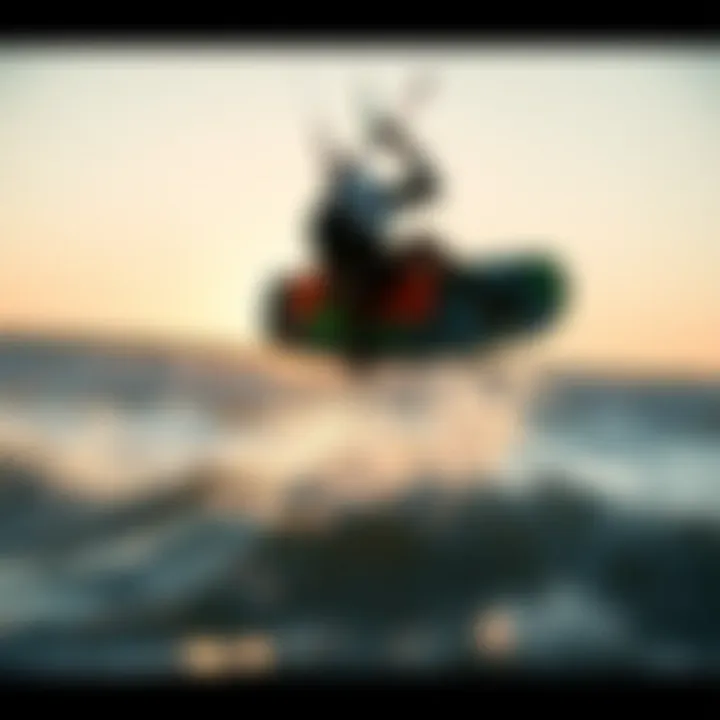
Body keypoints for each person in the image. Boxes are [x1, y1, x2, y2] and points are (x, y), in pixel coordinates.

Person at [307, 114, 442, 362]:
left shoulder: (375, 194)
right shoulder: (336, 204)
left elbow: (427, 184)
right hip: (355, 266)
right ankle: (361, 341)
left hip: (369, 264)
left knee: (427, 249)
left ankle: (450, 306)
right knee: (361, 279)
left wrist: (399, 141)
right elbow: (326, 233)